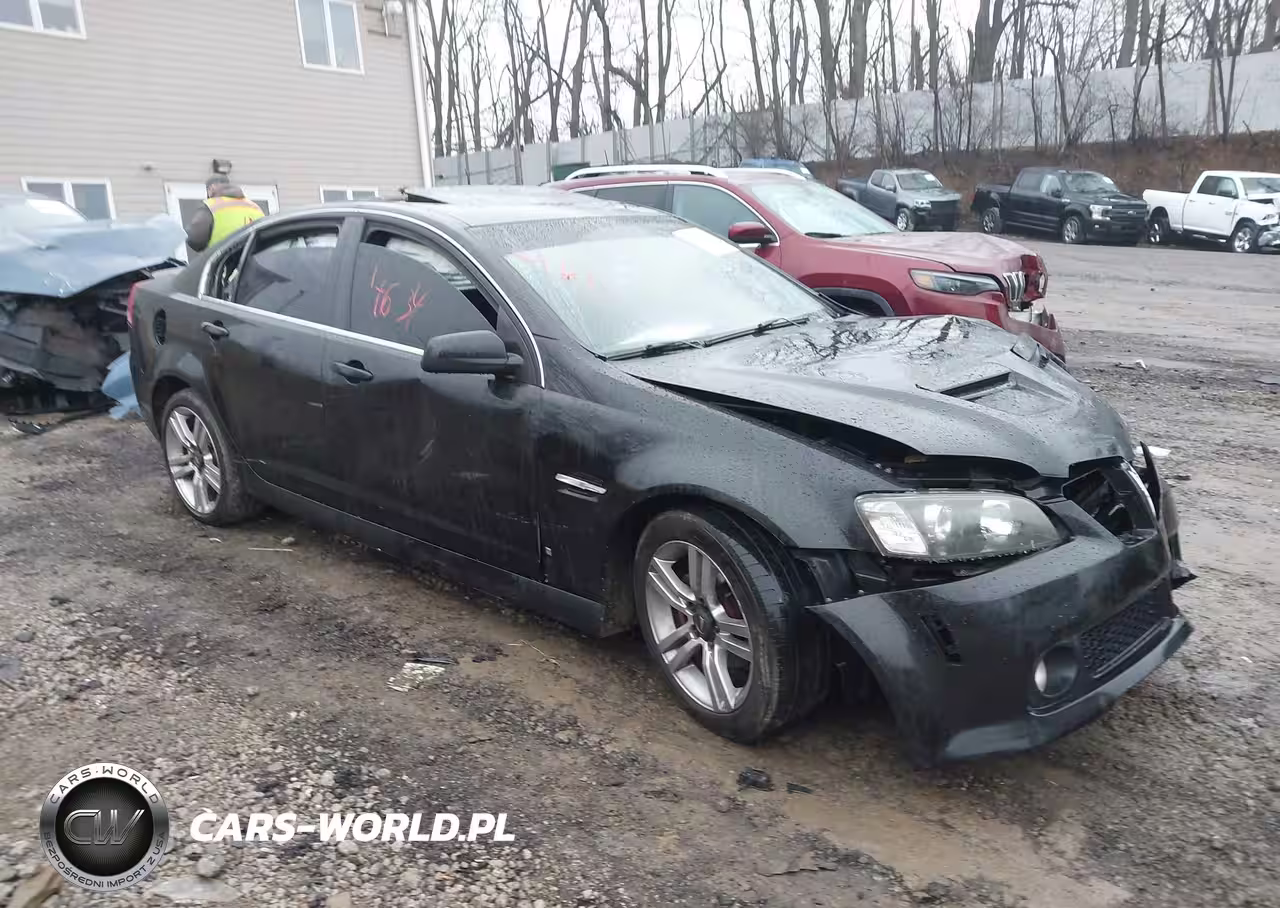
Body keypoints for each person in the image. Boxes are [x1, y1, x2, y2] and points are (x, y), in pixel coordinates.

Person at [185, 175, 265, 254]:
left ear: (212, 188)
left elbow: (196, 240)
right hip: (253, 262)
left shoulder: (211, 206)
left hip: (224, 261)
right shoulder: (254, 207)